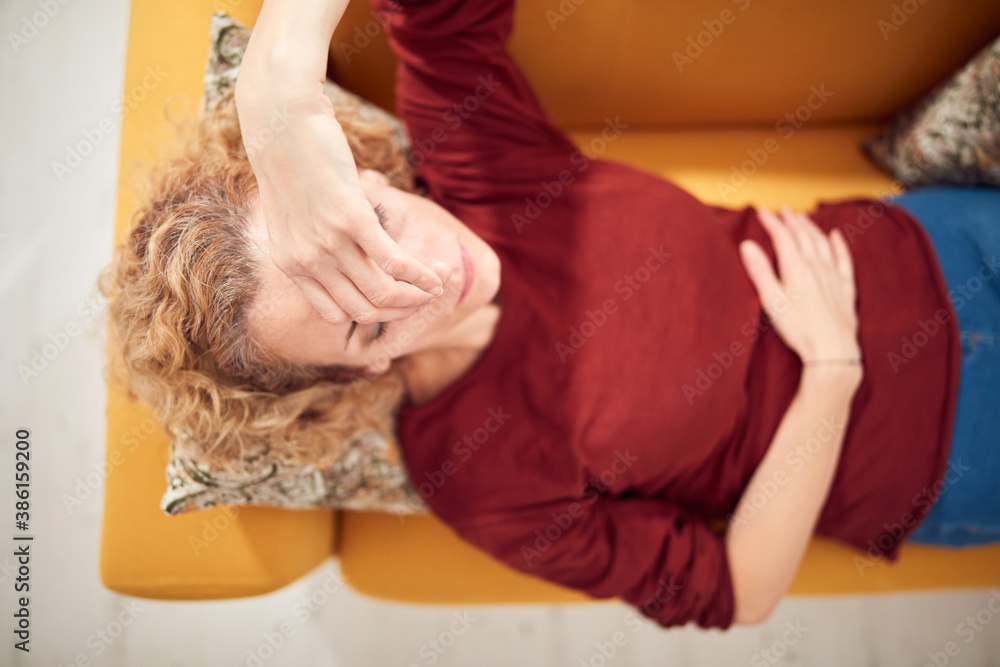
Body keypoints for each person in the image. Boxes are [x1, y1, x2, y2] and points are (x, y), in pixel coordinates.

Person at [102, 0, 1000, 630]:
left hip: (945, 243)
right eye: (367, 321)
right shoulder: (476, 475)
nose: (428, 279)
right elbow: (737, 590)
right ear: (353, 372)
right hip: (941, 453)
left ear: (359, 173)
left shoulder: (480, 161)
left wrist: (281, 73)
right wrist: (832, 376)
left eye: (375, 227)